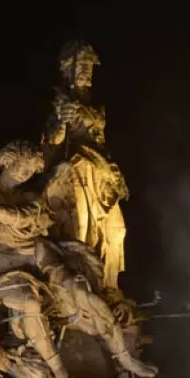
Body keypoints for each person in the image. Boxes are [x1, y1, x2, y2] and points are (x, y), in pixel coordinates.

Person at [0, 140, 157, 378]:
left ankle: (124, 357)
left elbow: (24, 217)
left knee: (83, 291)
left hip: (37, 257)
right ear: (7, 161)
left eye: (30, 171)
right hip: (2, 271)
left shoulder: (30, 197)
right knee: (30, 302)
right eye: (21, 167)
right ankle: (60, 371)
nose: (24, 174)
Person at [41, 40, 128, 291]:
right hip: (77, 171)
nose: (85, 70)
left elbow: (100, 143)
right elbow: (51, 142)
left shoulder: (95, 108)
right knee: (81, 228)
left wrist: (112, 168)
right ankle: (80, 284)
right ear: (66, 69)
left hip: (101, 174)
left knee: (116, 231)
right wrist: (60, 122)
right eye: (80, 65)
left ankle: (110, 288)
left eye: (89, 66)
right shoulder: (60, 102)